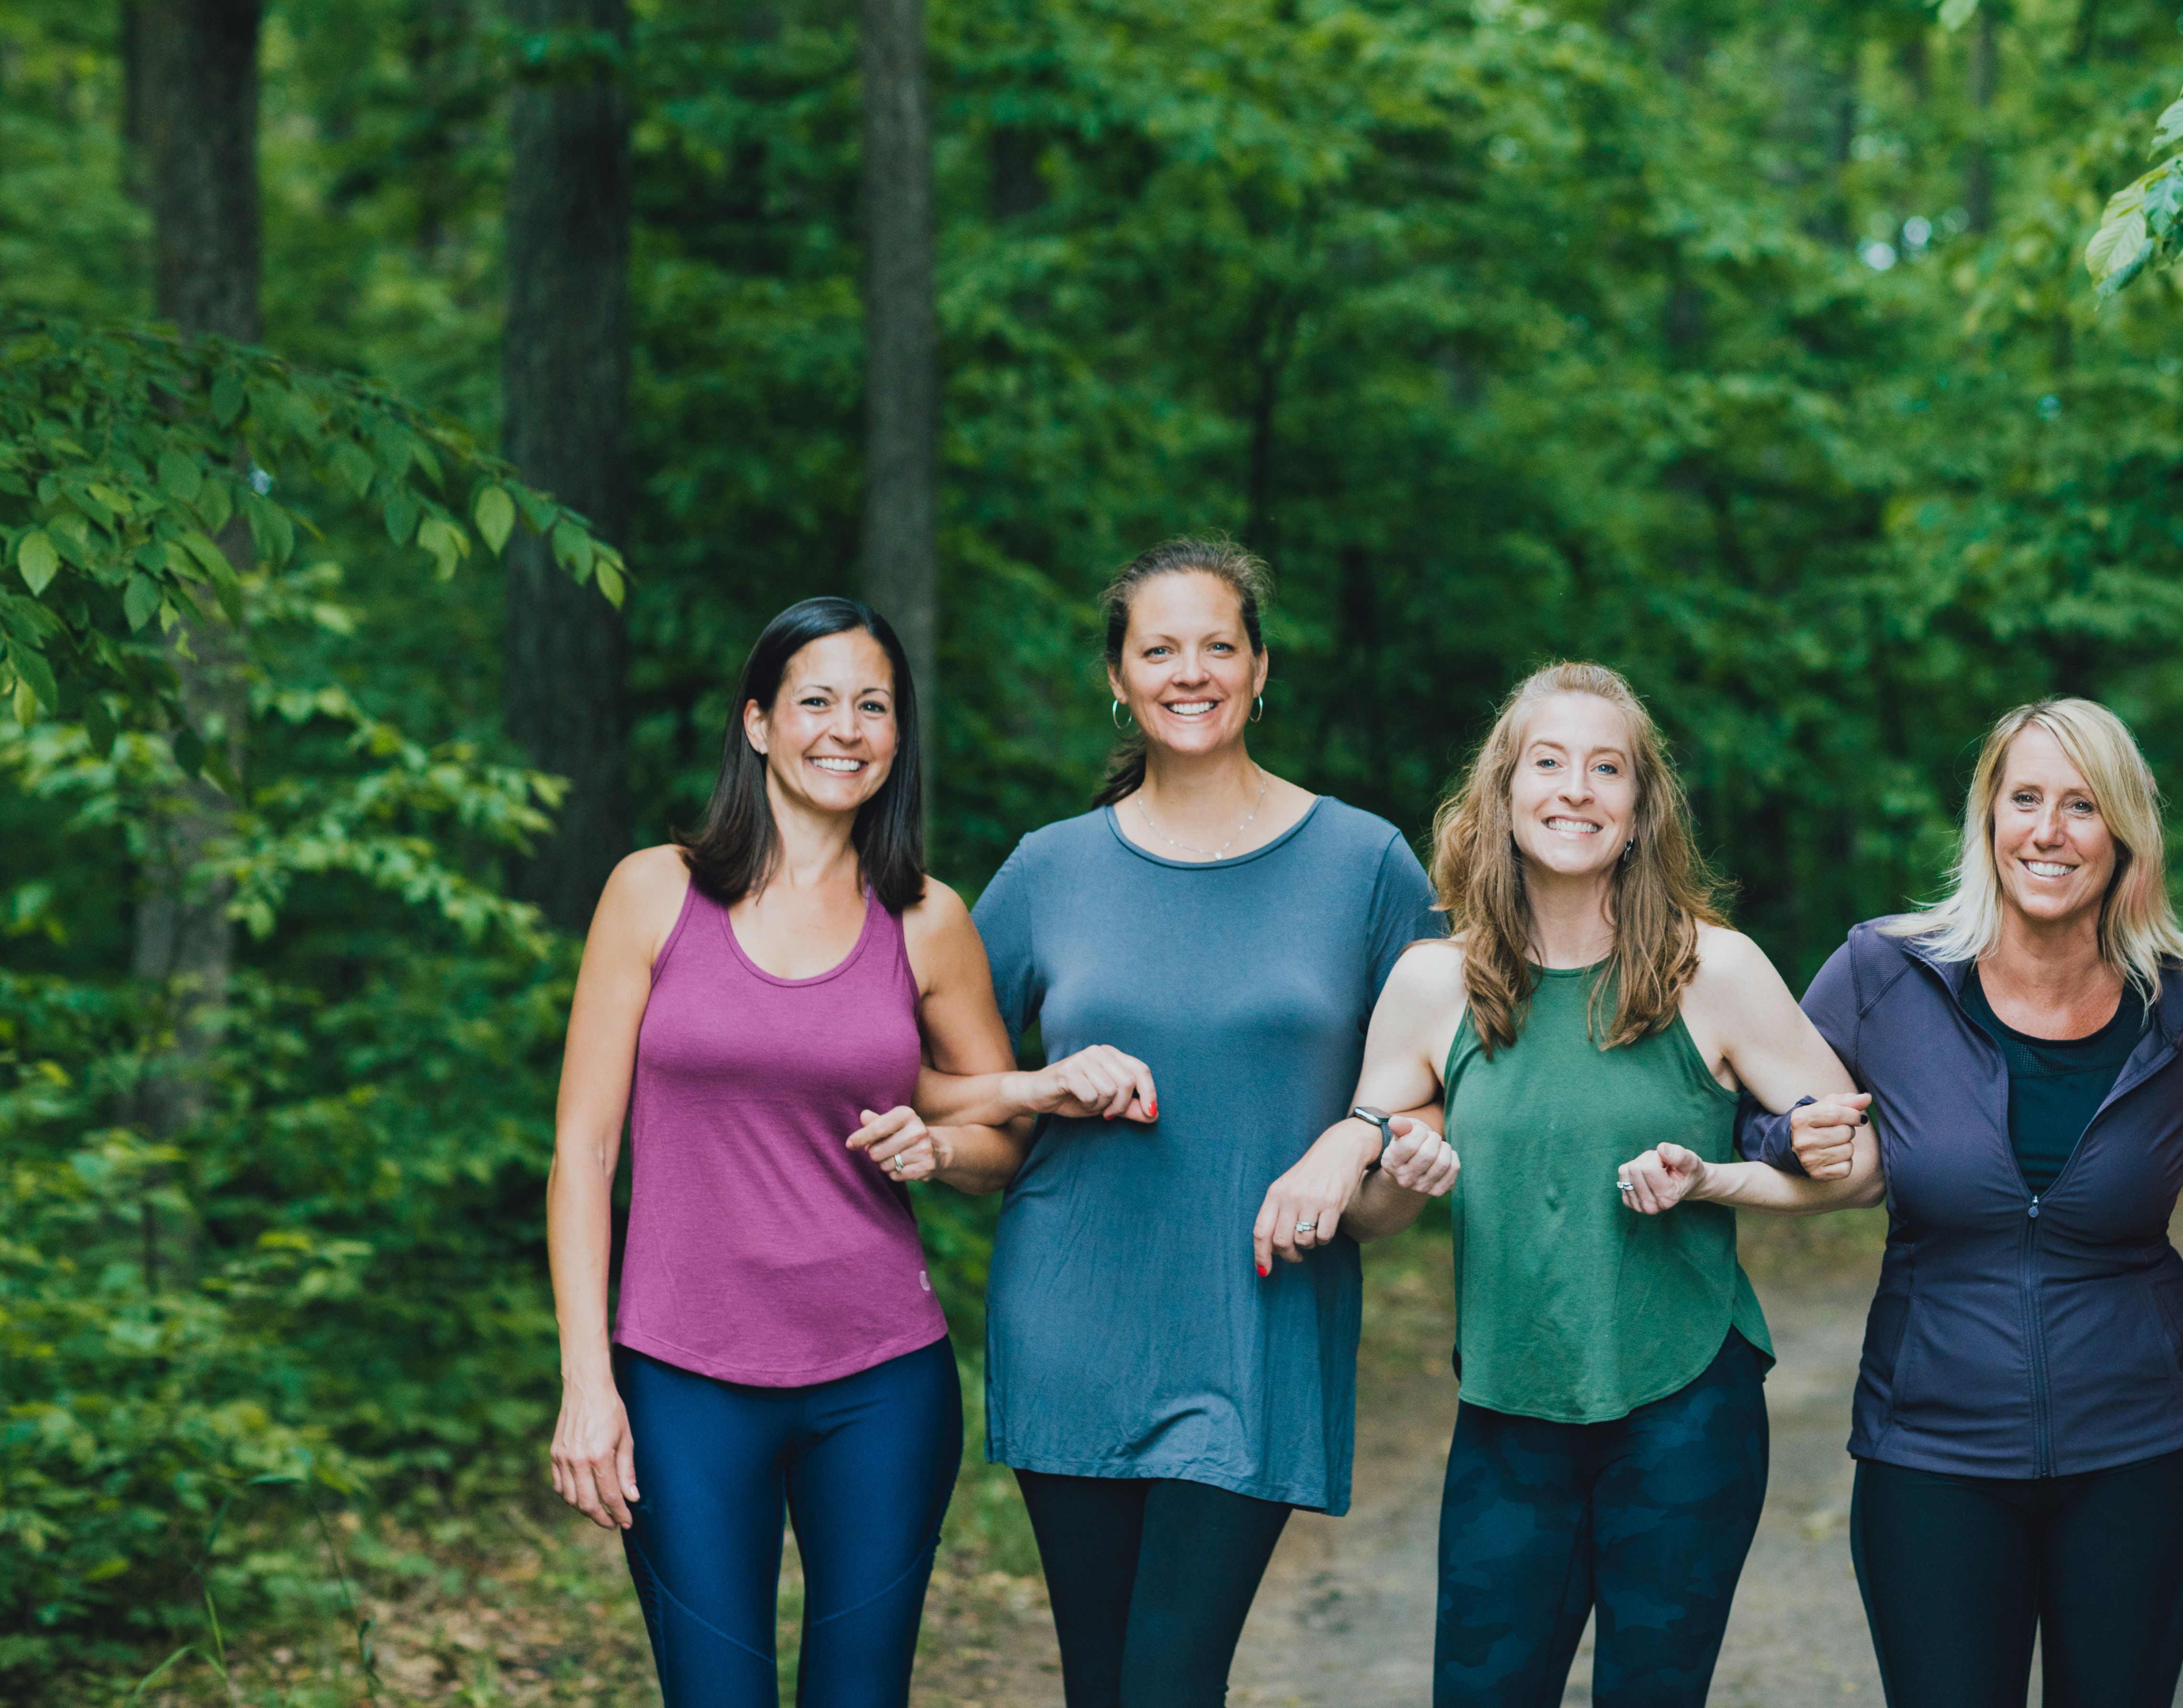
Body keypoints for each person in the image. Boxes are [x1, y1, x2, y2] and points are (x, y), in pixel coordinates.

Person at [1260, 661, 1875, 1708]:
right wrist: (1395, 1173)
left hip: (1684, 1404)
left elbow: (1858, 1167)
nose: (1575, 788)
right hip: (1507, 1406)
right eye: (1547, 762)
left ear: (1640, 809)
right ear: (1502, 795)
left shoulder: (1710, 969)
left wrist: (1717, 1175)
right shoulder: (1431, 982)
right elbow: (1371, 1209)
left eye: (1607, 768)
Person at [911, 538, 1456, 1708]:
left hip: (1256, 1319)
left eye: (1218, 644)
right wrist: (1039, 1088)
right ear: (1118, 675)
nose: (1189, 670)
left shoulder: (1364, 863)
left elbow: (1433, 1084)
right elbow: (939, 1087)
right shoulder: (1047, 869)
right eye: (1158, 648)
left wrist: (1368, 1145)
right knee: (1101, 1681)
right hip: (1071, 1313)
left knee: (1169, 1675)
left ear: (1261, 669)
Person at [1737, 698, 2183, 1708]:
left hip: (2146, 1450)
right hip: (1929, 1453)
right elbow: (1748, 1112)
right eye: (2024, 798)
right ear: (1987, 819)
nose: (2049, 830)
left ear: (2122, 834)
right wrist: (1787, 1134)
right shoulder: (1883, 973)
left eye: (2081, 805)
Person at [546, 596, 1027, 1708]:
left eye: (873, 705)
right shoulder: (652, 890)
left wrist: (940, 1144)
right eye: (816, 700)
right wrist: (586, 1382)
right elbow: (583, 1152)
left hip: (881, 1384)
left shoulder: (926, 918)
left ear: (898, 735)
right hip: (680, 1382)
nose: (844, 728)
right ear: (758, 720)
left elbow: (1004, 1139)